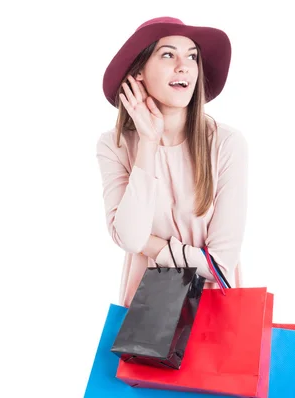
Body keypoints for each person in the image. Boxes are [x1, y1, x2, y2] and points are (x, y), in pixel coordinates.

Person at [96, 16, 248, 308]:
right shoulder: (114, 145)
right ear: (138, 71)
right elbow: (129, 237)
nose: (184, 65)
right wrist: (148, 143)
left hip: (216, 315)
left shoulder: (226, 143)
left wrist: (150, 244)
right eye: (168, 54)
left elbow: (220, 266)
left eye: (192, 56)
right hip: (146, 319)